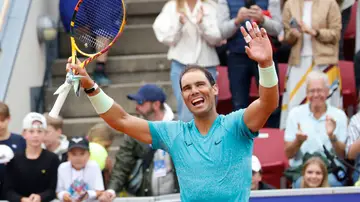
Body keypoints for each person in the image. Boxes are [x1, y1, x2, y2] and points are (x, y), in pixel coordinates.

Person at [66, 21, 279, 201]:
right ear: (182, 97)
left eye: (199, 85)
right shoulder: (174, 133)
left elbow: (268, 103)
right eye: (186, 88)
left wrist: (266, 64)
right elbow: (121, 120)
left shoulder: (236, 124)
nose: (194, 91)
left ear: (214, 89)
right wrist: (89, 85)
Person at [152, 0, 222, 122]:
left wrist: (202, 24)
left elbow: (217, 38)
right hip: (180, 64)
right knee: (185, 106)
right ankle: (187, 140)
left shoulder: (211, 7)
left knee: (209, 107)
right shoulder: (171, 7)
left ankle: (209, 139)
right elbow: (165, 38)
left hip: (207, 64)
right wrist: (179, 24)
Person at [280, 0, 343, 129]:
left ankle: (330, 139)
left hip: (324, 62)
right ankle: (295, 140)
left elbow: (336, 34)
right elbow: (286, 36)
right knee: (295, 106)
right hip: (298, 61)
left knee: (327, 105)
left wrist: (315, 32)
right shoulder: (290, 4)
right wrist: (293, 34)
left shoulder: (330, 3)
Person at [107, 84, 179, 197]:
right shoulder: (134, 131)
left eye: (140, 102)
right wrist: (111, 190)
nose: (136, 107)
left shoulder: (178, 128)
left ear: (156, 105)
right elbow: (122, 163)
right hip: (148, 197)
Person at [284, 71, 348, 188]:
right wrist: (298, 141)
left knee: (333, 183)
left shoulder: (339, 115)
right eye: (312, 91)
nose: (316, 94)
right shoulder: (295, 114)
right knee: (301, 183)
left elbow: (343, 154)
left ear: (327, 92)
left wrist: (332, 136)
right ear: (306, 93)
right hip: (303, 169)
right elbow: (288, 154)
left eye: (320, 90)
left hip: (331, 169)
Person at [217, 0, 282, 112]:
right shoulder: (224, 1)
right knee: (238, 104)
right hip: (237, 56)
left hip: (265, 56)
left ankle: (272, 129)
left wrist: (262, 19)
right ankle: (242, 130)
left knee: (272, 104)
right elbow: (222, 32)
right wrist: (237, 20)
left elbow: (278, 29)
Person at [4, 112, 60, 202]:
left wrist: (40, 197)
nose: (35, 135)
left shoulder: (52, 159)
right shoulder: (14, 159)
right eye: (31, 131)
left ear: (45, 134)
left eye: (39, 131)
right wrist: (22, 199)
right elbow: (8, 190)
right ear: (24, 134)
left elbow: (54, 189)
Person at [56, 136, 112, 202]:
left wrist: (88, 195)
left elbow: (100, 191)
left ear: (89, 155)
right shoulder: (62, 168)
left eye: (82, 154)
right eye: (74, 154)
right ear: (68, 155)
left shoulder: (94, 166)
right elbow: (58, 191)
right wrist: (63, 195)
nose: (78, 158)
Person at [0, 102, 26, 200]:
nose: (0, 124)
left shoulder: (20, 140)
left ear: (9, 119)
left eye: (2, 120)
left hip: (16, 193)